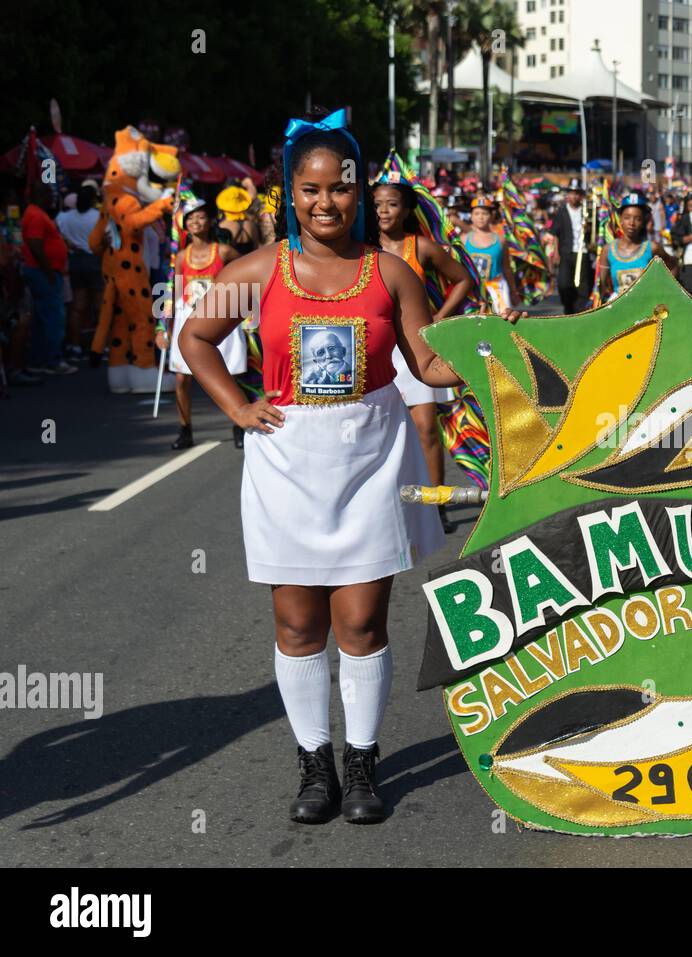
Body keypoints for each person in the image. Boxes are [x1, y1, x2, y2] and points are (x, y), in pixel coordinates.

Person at [178, 111, 467, 826]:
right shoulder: (256, 271)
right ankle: (315, 763)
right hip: (288, 460)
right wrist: (238, 409)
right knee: (296, 620)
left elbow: (426, 361)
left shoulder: (390, 271)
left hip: (371, 452)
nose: (325, 202)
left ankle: (362, 761)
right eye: (310, 189)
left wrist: (498, 359)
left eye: (339, 189)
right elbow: (196, 337)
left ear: (359, 192)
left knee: (363, 620)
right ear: (290, 192)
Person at [371, 176, 474, 532]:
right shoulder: (362, 249)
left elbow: (462, 279)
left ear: (407, 210)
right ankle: (385, 504)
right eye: (378, 204)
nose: (384, 211)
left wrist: (438, 320)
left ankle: (435, 502)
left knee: (426, 427)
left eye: (392, 204)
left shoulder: (423, 248)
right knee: (377, 429)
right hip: (376, 347)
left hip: (416, 348)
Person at [158, 198, 247, 450]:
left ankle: (238, 424)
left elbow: (248, 275)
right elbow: (172, 293)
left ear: (210, 221)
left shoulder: (224, 252)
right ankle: (185, 429)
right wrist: (162, 328)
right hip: (189, 319)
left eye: (200, 216)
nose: (196, 221)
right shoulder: (182, 256)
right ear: (185, 224)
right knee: (181, 379)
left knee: (232, 374)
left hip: (220, 317)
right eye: (190, 218)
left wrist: (243, 307)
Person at [20, 184, 76, 376]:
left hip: (42, 271)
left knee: (43, 318)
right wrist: (48, 270)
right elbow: (35, 244)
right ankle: (52, 360)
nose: (52, 198)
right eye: (49, 194)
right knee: (53, 316)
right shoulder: (35, 215)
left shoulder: (35, 213)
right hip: (43, 272)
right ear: (40, 195)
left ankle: (41, 359)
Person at [56, 181, 103, 362]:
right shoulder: (98, 216)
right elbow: (107, 239)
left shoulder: (64, 217)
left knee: (77, 306)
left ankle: (74, 346)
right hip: (94, 261)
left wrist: (70, 244)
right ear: (93, 200)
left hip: (75, 261)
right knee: (99, 306)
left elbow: (57, 232)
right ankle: (99, 346)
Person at [597, 192, 676, 300]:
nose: (631, 223)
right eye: (627, 217)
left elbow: (673, 267)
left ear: (643, 221)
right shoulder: (608, 250)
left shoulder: (652, 248)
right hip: (618, 311)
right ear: (620, 219)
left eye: (637, 218)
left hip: (646, 311)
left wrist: (664, 294)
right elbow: (601, 287)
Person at [464, 195, 520, 314]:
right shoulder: (463, 239)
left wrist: (513, 291)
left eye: (484, 213)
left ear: (491, 216)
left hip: (497, 290)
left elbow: (506, 267)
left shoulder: (500, 240)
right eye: (477, 213)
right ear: (471, 216)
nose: (481, 217)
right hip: (472, 292)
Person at [549, 178, 594, 314]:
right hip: (566, 252)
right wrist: (555, 252)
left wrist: (590, 231)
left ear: (581, 195)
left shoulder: (587, 211)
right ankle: (568, 308)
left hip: (583, 251)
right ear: (567, 195)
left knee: (582, 285)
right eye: (571, 193)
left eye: (577, 193)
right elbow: (555, 233)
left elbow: (595, 231)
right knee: (564, 284)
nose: (574, 196)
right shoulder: (561, 212)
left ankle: (579, 311)